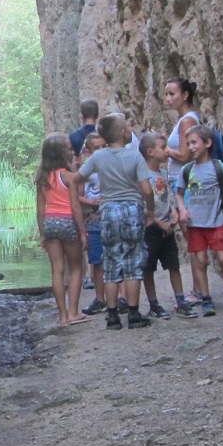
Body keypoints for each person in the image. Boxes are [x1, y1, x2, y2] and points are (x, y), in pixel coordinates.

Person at [78, 113, 156, 330]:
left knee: (111, 262)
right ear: (123, 133)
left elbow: (78, 178)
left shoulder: (98, 157)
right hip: (132, 210)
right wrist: (149, 209)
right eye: (127, 126)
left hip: (108, 211)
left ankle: (112, 316)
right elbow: (147, 189)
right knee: (133, 261)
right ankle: (133, 314)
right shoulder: (134, 157)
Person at [180, 125, 223, 315]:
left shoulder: (219, 168)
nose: (190, 147)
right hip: (195, 225)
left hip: (216, 221)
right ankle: (206, 298)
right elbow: (179, 193)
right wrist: (182, 209)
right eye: (188, 143)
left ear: (207, 143)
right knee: (200, 261)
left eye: (194, 142)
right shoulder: (187, 170)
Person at [139, 132, 196, 319]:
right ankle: (154, 305)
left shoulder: (163, 173)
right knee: (149, 268)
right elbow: (141, 205)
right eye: (162, 147)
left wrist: (172, 210)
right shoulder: (141, 176)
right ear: (150, 152)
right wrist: (157, 222)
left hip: (167, 227)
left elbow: (166, 197)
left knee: (173, 264)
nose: (167, 151)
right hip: (150, 229)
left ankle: (180, 301)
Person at [35, 134, 89, 327]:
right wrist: (83, 232)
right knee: (76, 268)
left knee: (56, 270)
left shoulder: (42, 178)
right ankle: (74, 312)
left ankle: (62, 317)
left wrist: (42, 234)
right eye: (68, 147)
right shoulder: (69, 176)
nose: (71, 150)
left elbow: (40, 210)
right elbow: (76, 206)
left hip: (50, 223)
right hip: (68, 223)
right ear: (62, 153)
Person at [77, 132, 106, 316]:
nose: (101, 151)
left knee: (115, 259)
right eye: (97, 148)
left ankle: (120, 298)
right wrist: (91, 203)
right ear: (88, 152)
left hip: (111, 219)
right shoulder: (85, 171)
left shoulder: (111, 166)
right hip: (94, 221)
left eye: (104, 147)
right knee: (97, 261)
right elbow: (78, 195)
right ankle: (100, 298)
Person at [162, 78, 201, 182]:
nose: (168, 98)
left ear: (185, 95)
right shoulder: (183, 119)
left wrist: (163, 148)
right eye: (166, 94)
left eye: (172, 94)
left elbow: (184, 156)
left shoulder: (187, 121)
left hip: (185, 180)